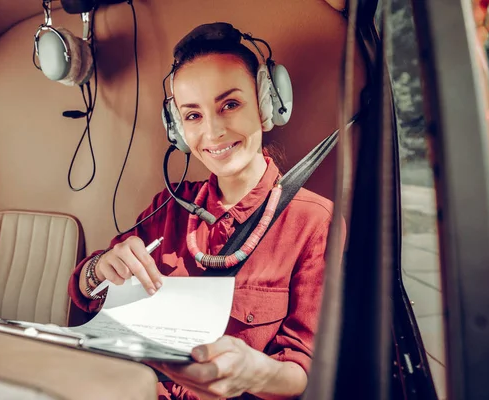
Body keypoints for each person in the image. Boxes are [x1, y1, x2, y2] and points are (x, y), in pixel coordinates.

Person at [68, 22, 345, 400]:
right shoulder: (167, 206)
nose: (213, 132)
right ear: (178, 129)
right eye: (193, 116)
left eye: (230, 104)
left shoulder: (314, 221)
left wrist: (256, 373)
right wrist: (99, 269)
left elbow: (306, 371)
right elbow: (85, 294)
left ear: (267, 106)